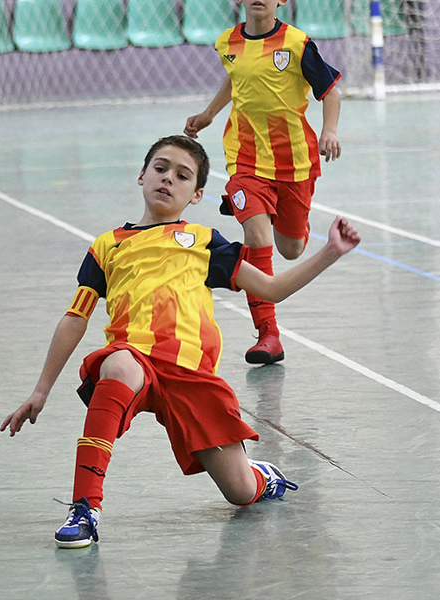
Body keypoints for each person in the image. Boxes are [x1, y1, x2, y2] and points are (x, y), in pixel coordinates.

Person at [0, 135, 359, 549]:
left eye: (182, 175)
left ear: (197, 194)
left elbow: (272, 289)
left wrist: (331, 251)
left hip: (190, 374)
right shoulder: (108, 246)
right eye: (161, 168)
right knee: (117, 365)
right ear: (141, 175)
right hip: (134, 358)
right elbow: (74, 318)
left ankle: (261, 476)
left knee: (240, 492)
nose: (169, 178)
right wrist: (41, 389)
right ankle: (85, 508)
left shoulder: (205, 241)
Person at [184, 0, 342, 364]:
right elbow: (236, 77)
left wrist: (329, 129)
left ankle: (268, 211)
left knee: (291, 250)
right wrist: (209, 114)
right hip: (246, 158)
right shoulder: (227, 43)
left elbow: (330, 90)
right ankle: (268, 335)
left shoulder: (296, 43)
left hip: (295, 163)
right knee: (257, 239)